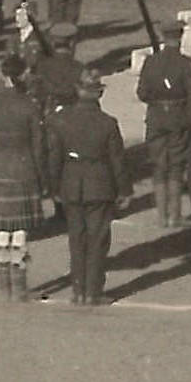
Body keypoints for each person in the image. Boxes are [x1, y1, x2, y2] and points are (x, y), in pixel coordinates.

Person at [43, 78, 129, 307]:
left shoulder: (61, 121)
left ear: (78, 91)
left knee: (76, 238)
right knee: (97, 240)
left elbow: (54, 158)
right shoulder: (108, 123)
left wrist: (54, 186)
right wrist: (124, 189)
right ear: (99, 94)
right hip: (100, 184)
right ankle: (93, 291)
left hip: (71, 182)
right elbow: (117, 160)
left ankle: (78, 290)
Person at [0, 58, 46, 303]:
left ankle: (4, 288)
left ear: (4, 77)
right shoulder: (30, 105)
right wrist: (41, 175)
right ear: (22, 76)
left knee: (2, 230)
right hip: (23, 170)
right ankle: (20, 288)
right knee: (20, 231)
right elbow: (38, 145)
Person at [137, 35, 191, 230]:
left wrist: (158, 97)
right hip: (178, 118)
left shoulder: (151, 62)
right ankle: (175, 216)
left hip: (156, 117)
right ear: (180, 38)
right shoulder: (186, 64)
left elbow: (142, 93)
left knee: (158, 166)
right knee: (176, 165)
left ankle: (161, 217)